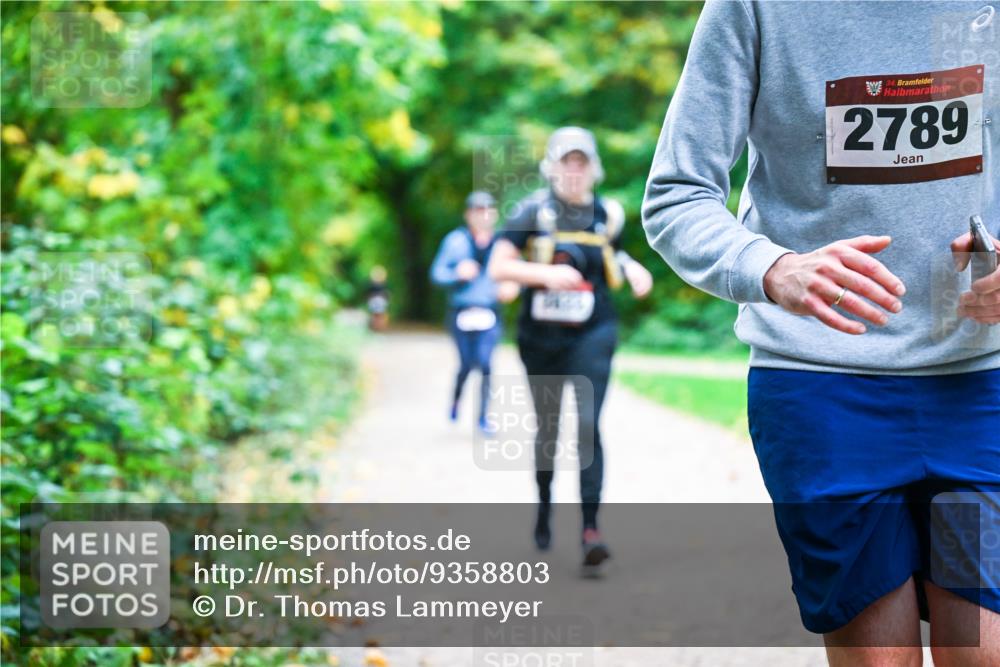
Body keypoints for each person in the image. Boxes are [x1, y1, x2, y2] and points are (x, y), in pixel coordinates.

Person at [641, 2, 999, 665]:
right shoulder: (754, 9)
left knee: (981, 651)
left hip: (978, 385)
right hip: (823, 387)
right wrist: (773, 266)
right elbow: (675, 196)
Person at [489, 126, 653, 569]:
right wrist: (543, 276)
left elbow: (612, 255)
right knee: (548, 429)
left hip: (593, 332)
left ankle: (590, 530)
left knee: (586, 424)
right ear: (552, 167)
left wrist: (634, 269)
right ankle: (544, 508)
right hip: (540, 338)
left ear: (593, 167)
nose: (574, 171)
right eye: (566, 162)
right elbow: (497, 267)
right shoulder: (532, 212)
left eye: (581, 162)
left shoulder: (607, 215)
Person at [430, 191, 517, 432]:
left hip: (490, 311)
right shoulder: (455, 241)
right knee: (467, 364)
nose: (483, 215)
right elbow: (436, 274)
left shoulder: (503, 243)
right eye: (477, 210)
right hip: (461, 311)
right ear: (468, 214)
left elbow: (516, 271)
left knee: (487, 364)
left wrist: (512, 285)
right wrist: (456, 273)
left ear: (495, 213)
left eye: (488, 209)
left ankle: (483, 418)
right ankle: (456, 400)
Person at [366, 265, 390, 332]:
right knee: (381, 314)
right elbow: (387, 294)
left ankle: (375, 326)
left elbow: (368, 294)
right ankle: (381, 326)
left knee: (374, 314)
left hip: (374, 300)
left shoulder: (371, 284)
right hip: (381, 300)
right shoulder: (384, 284)